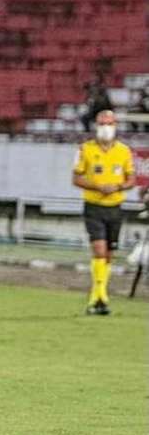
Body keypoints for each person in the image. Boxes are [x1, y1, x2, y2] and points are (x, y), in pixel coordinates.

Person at [73, 110, 136, 315]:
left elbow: (131, 179)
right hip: (94, 207)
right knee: (99, 250)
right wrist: (97, 187)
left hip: (115, 207)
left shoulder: (124, 151)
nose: (106, 127)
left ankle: (99, 297)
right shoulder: (85, 149)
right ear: (96, 126)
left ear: (115, 125)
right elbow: (76, 178)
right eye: (102, 124)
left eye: (109, 123)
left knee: (109, 254)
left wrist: (117, 187)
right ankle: (99, 296)